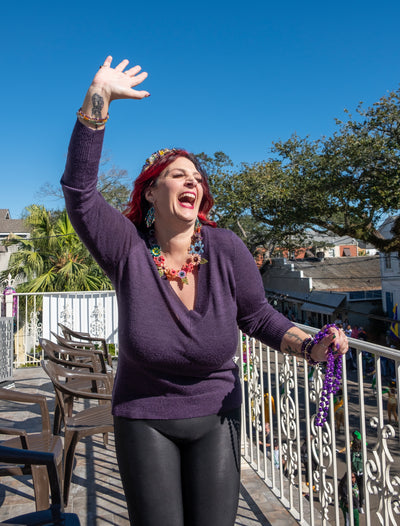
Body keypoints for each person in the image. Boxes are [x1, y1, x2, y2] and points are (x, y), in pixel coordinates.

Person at [61, 55, 349, 526]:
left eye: (197, 177)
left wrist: (310, 345)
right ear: (152, 193)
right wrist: (99, 99)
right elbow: (80, 192)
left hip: (218, 417)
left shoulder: (227, 248)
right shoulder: (127, 249)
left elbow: (257, 316)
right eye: (179, 175)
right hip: (144, 417)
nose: (192, 180)